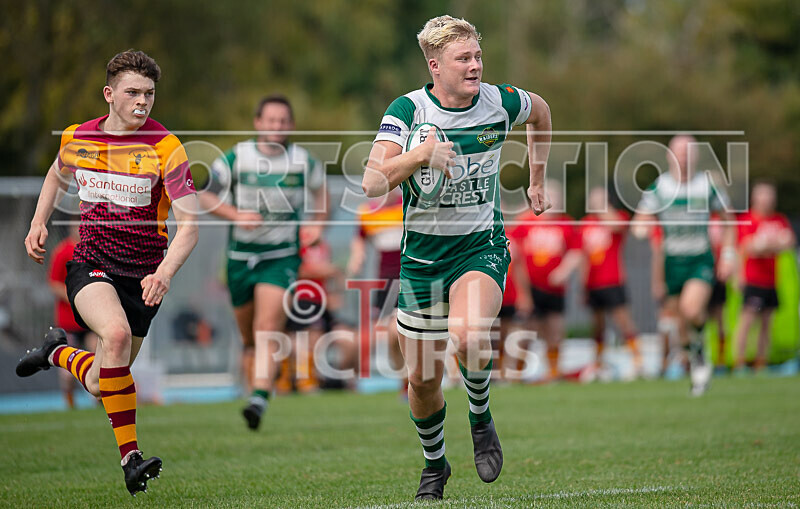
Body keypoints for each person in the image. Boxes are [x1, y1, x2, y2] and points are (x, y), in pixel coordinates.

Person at [362, 15, 551, 500]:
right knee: (423, 381)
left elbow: (543, 112)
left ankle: (481, 417)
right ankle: (434, 464)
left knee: (469, 334)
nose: (475, 67)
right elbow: (372, 182)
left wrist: (536, 177)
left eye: (478, 57)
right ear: (435, 66)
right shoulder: (408, 110)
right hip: (422, 261)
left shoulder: (498, 102)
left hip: (478, 246)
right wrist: (421, 156)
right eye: (463, 59)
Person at [17, 50, 198, 495]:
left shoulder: (165, 146)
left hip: (145, 278)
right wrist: (38, 222)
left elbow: (191, 225)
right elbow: (56, 177)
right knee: (114, 335)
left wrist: (166, 273)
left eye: (149, 94)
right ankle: (131, 460)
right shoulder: (78, 137)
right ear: (109, 94)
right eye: (133, 92)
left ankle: (56, 353)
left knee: (101, 381)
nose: (142, 102)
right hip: (92, 264)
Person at [199, 95, 327, 430]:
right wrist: (235, 214)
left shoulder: (303, 161)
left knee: (267, 326)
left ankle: (258, 398)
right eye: (271, 120)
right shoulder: (238, 157)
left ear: (291, 125)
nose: (277, 127)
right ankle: (255, 387)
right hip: (240, 259)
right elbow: (205, 194)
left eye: (283, 121)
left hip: (281, 256)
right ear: (258, 123)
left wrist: (317, 225)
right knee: (250, 336)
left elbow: (321, 192)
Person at [632, 135, 735, 396]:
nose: (684, 156)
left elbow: (729, 220)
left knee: (691, 309)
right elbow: (641, 218)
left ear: (696, 156)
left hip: (699, 258)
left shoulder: (707, 185)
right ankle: (698, 357)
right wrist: (640, 227)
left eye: (689, 152)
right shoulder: (660, 187)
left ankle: (701, 354)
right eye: (679, 152)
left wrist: (729, 255)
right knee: (680, 325)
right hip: (672, 261)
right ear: (669, 156)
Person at [509, 180, 582, 381]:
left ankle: (554, 371)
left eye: (558, 197)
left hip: (554, 290)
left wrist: (564, 270)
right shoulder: (525, 221)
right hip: (530, 287)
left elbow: (576, 251)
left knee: (555, 330)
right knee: (525, 332)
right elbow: (512, 247)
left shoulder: (566, 223)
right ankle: (516, 373)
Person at [347, 187, 405, 394]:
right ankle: (351, 382)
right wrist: (356, 257)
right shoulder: (367, 212)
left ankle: (407, 383)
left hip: (410, 280)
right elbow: (359, 238)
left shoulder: (408, 206)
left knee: (396, 333)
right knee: (365, 339)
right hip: (384, 284)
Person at [579, 187, 641, 378]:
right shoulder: (585, 223)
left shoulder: (617, 216)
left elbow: (618, 227)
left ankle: (639, 361)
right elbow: (583, 256)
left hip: (613, 280)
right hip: (593, 283)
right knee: (597, 326)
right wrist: (582, 286)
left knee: (624, 322)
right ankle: (598, 363)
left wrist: (603, 208)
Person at [733, 182, 795, 372]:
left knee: (767, 322)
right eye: (763, 195)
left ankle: (761, 361)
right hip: (753, 279)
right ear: (754, 197)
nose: (766, 200)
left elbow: (789, 242)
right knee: (747, 320)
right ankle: (739, 362)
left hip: (771, 280)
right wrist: (771, 244)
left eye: (769, 195)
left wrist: (765, 245)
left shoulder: (779, 219)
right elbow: (747, 247)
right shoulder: (748, 219)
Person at [48, 220, 98, 409]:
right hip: (68, 320)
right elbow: (54, 284)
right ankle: (69, 400)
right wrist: (76, 297)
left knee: (99, 354)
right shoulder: (62, 252)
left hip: (90, 319)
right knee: (68, 367)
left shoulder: (93, 250)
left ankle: (99, 397)